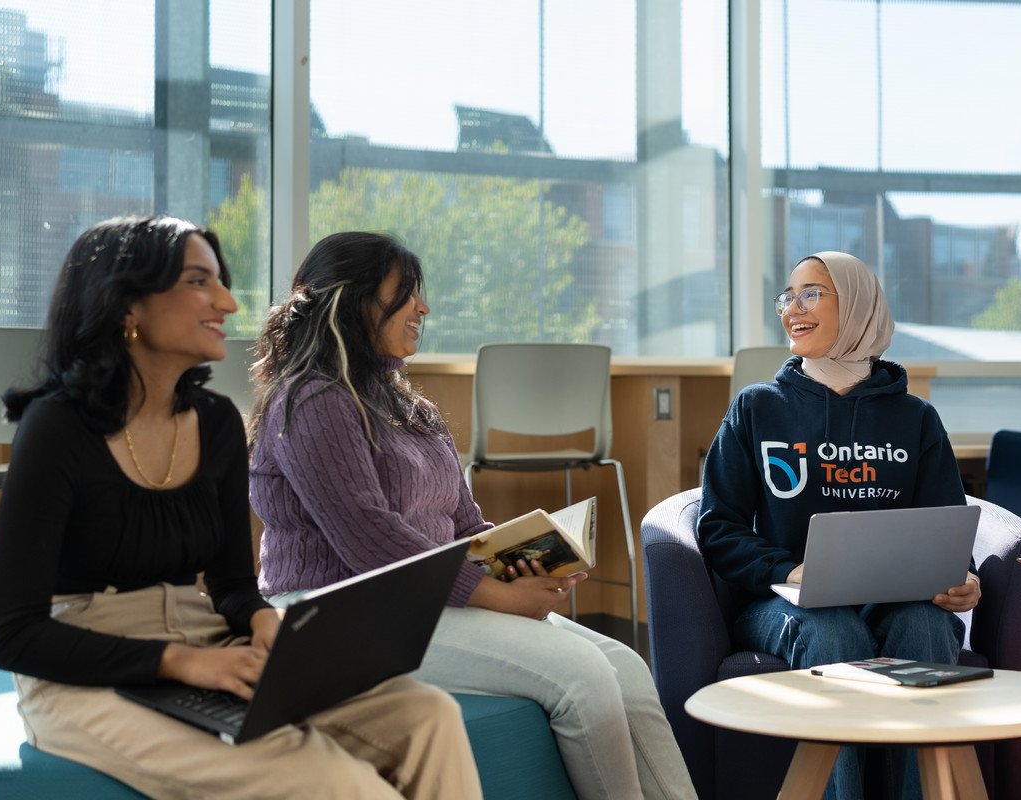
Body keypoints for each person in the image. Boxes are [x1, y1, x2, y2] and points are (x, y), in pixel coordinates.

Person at [0, 217, 479, 800]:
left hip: (204, 635)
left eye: (221, 281)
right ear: (127, 306)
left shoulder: (216, 421)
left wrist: (266, 622)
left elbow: (234, 587)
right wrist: (179, 665)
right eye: (200, 282)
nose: (227, 300)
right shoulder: (56, 427)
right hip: (80, 669)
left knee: (427, 717)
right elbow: (13, 634)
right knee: (331, 781)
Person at [249, 231, 696, 800]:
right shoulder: (311, 399)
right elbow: (371, 543)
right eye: (405, 292)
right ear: (353, 300)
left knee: (627, 668)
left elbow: (464, 523)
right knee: (582, 680)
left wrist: (520, 564)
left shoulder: (409, 406)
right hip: (340, 613)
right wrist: (496, 596)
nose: (423, 307)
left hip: (422, 598)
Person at [697, 251, 977, 800]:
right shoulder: (757, 407)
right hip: (783, 604)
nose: (792, 310)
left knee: (923, 625)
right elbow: (718, 527)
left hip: (897, 600)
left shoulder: (915, 417)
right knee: (832, 628)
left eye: (810, 294)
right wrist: (789, 570)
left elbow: (945, 525)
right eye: (788, 297)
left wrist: (960, 580)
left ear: (857, 307)